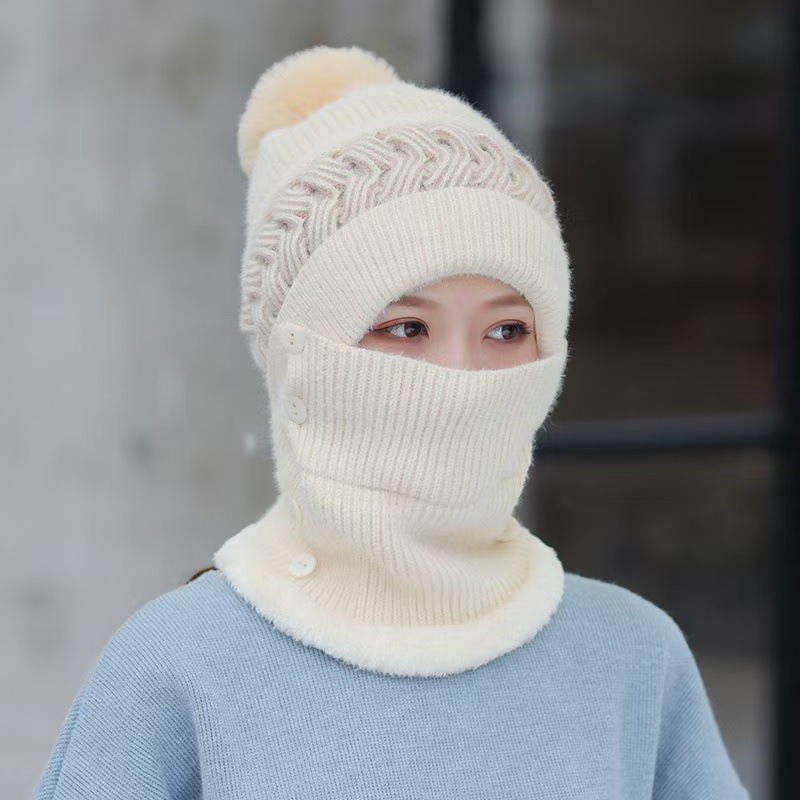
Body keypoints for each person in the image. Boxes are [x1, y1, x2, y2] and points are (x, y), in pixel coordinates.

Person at [33, 45, 750, 799]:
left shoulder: (633, 661)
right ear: (303, 358)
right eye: (406, 328)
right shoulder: (178, 666)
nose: (462, 377)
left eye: (507, 330)